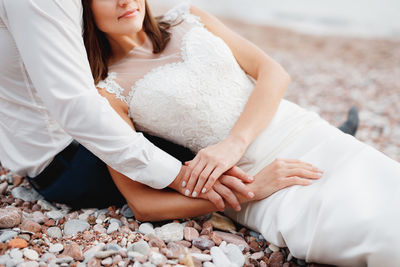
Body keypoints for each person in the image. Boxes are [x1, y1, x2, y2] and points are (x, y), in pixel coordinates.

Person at [81, 0, 400, 266]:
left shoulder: (187, 18)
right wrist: (251, 192)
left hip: (308, 133)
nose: (124, 0)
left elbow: (273, 73)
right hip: (258, 181)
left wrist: (235, 142)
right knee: (372, 233)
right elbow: (143, 204)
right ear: (82, 10)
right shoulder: (107, 92)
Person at [0, 0, 260, 210]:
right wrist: (179, 177)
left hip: (61, 141)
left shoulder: (185, 18)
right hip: (70, 160)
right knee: (227, 170)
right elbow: (78, 109)